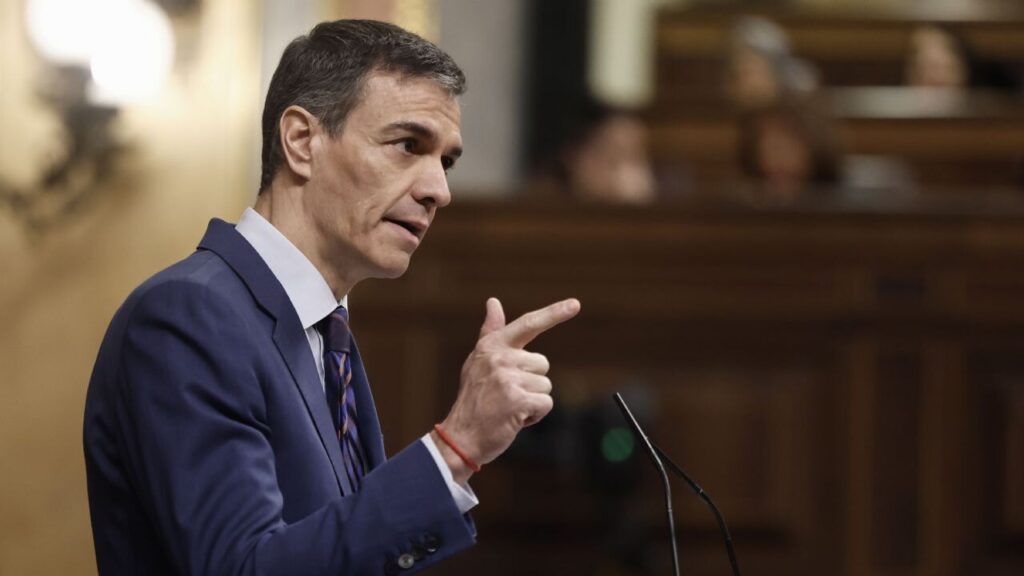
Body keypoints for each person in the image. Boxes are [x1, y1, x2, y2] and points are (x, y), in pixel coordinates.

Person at [83, 19, 580, 575]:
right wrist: (456, 447)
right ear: (301, 142)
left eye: (445, 161)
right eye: (408, 145)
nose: (439, 190)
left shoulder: (325, 334)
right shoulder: (189, 316)